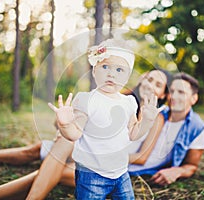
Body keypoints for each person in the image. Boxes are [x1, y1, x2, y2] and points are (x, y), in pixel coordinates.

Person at [0, 72, 204, 200]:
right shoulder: (121, 99)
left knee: (48, 168)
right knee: (50, 148)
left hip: (113, 168)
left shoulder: (157, 115)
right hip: (90, 152)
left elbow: (143, 155)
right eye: (149, 78)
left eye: (159, 85)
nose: (150, 85)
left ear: (163, 95)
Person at [47, 38, 162, 199]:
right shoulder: (86, 100)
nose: (111, 74)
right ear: (94, 71)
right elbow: (75, 134)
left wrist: (147, 121)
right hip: (91, 174)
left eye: (119, 70)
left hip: (121, 173)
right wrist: (65, 124)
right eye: (105, 66)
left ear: (127, 76)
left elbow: (133, 134)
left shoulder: (128, 102)